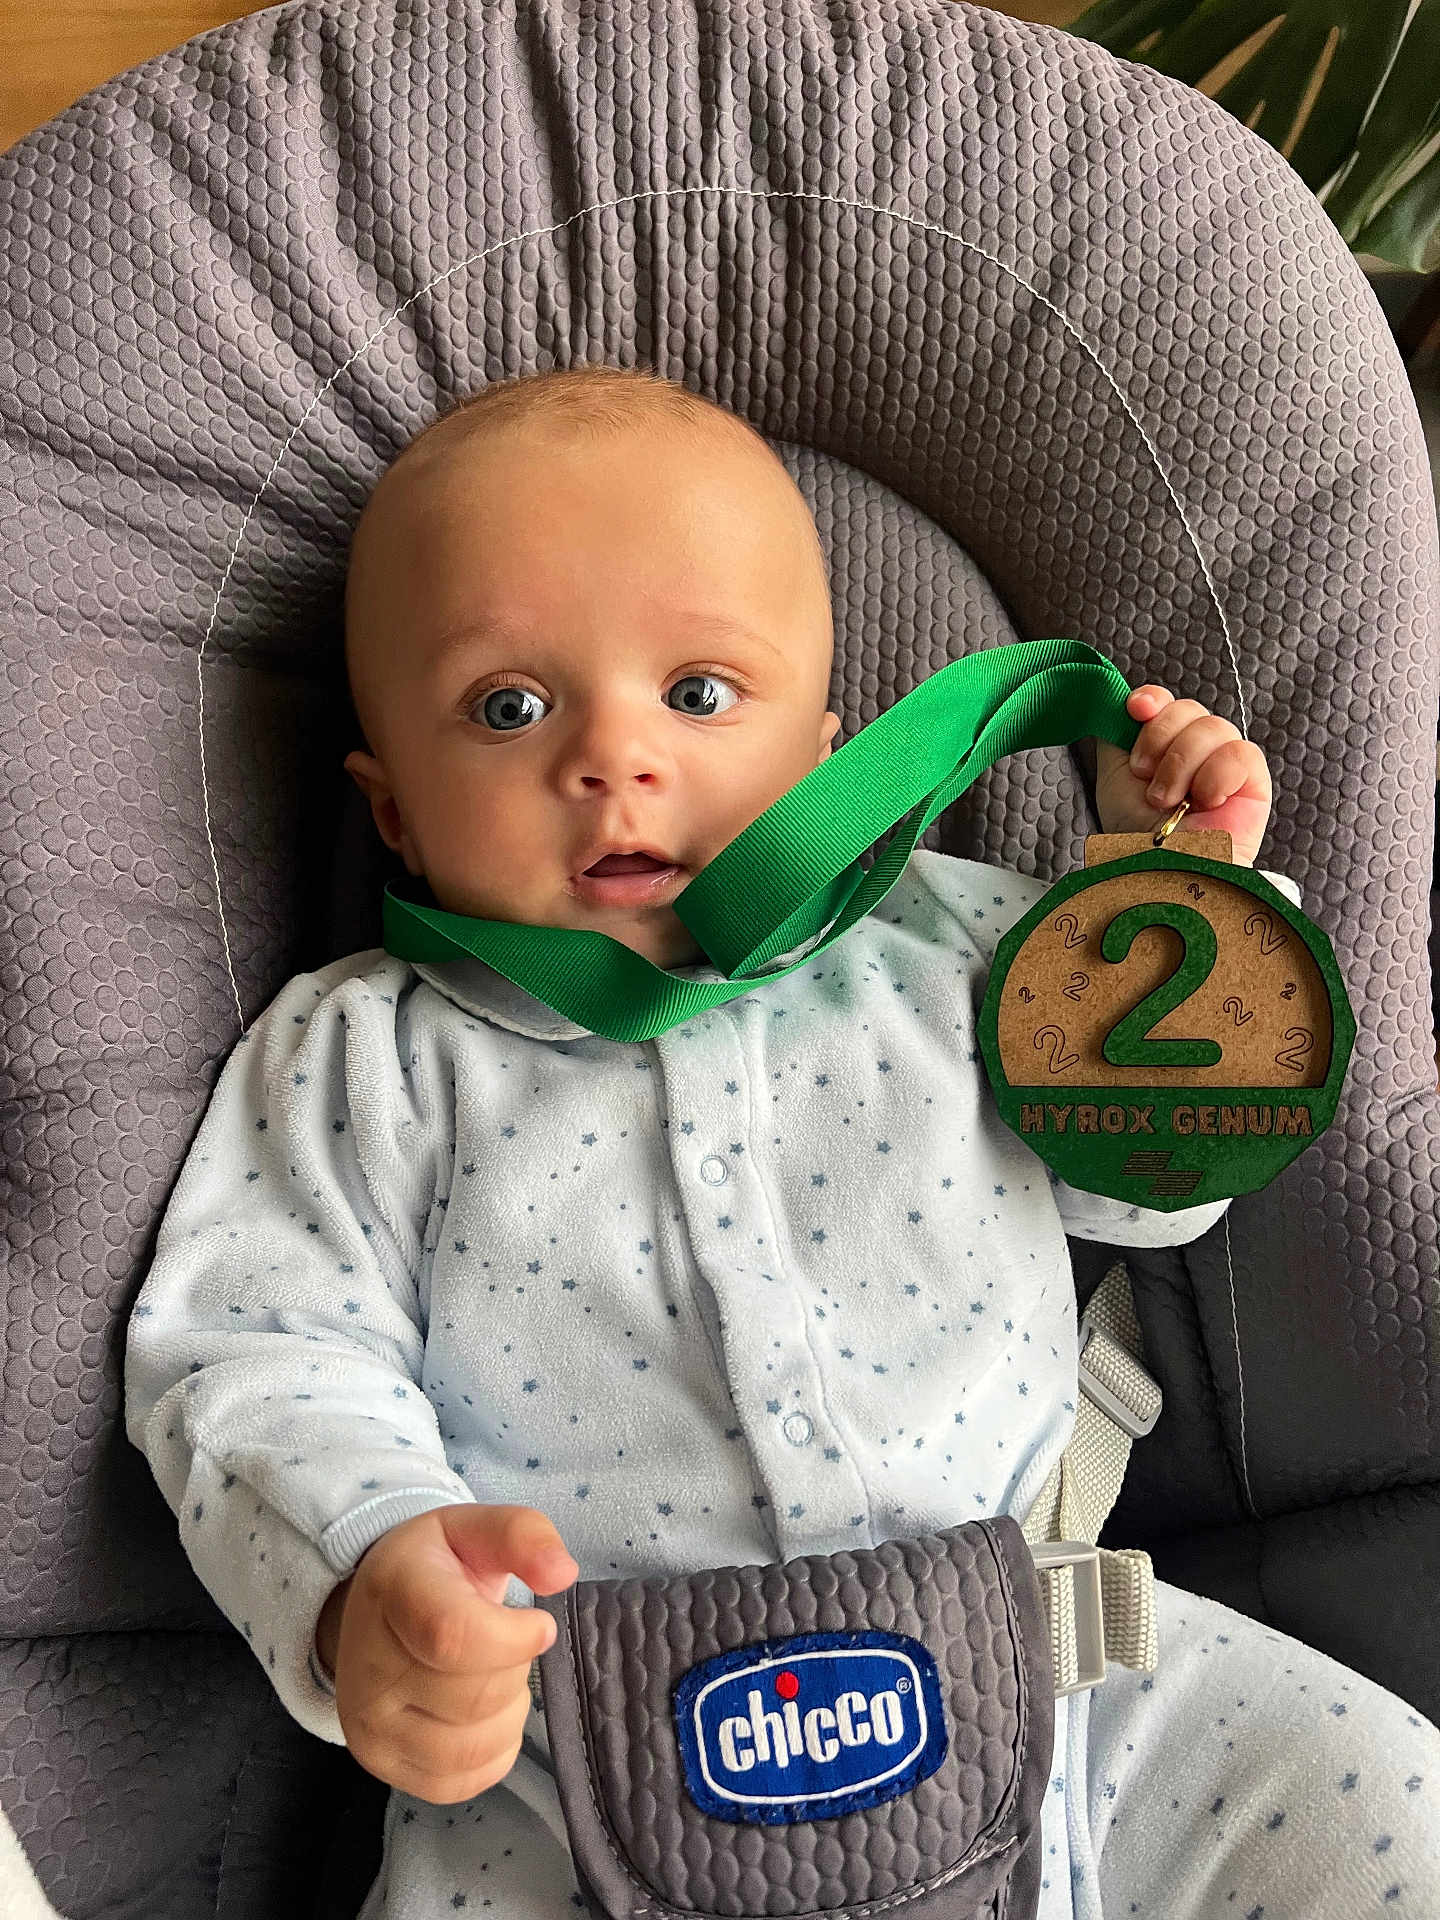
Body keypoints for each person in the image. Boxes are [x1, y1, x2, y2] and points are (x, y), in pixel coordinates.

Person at [124, 363, 1440, 1919]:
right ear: (393, 809)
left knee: (1384, 1814)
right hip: (573, 1756)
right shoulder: (361, 1056)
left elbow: (1152, 1194)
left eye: (696, 694)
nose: (613, 758)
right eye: (508, 706)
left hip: (1064, 1678)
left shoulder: (959, 955)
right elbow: (254, 1354)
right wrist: (365, 1577)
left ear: (825, 756)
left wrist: (1174, 889)